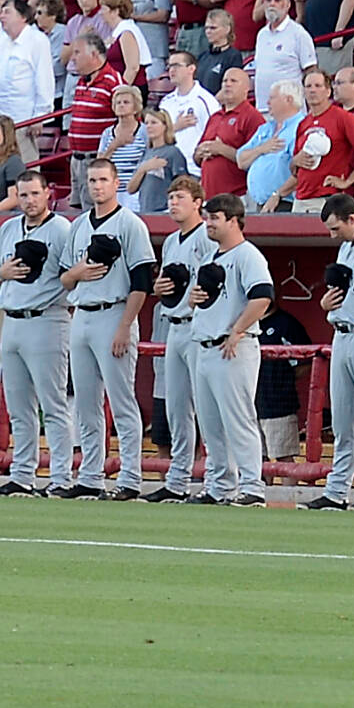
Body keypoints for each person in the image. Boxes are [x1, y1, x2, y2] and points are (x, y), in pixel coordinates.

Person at [61, 159, 155, 499]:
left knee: (121, 400)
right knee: (85, 402)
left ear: (116, 183)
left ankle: (130, 477)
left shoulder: (130, 224)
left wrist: (124, 326)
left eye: (103, 179)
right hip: (82, 311)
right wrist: (78, 273)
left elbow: (142, 281)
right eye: (92, 180)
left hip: (114, 312)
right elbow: (64, 277)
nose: (97, 186)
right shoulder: (79, 225)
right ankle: (90, 475)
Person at [0, 165, 75, 497]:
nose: (28, 200)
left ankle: (61, 476)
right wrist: (3, 273)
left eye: (34, 193)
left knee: (52, 403)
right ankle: (23, 474)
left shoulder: (62, 229)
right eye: (22, 195)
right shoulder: (9, 229)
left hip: (48, 317)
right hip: (13, 318)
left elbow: (70, 275)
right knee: (18, 405)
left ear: (47, 193)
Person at [189, 193, 274, 507]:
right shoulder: (212, 257)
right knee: (210, 424)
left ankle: (252, 487)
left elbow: (263, 296)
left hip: (233, 346)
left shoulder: (247, 254)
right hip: (206, 344)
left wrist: (238, 330)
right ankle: (219, 485)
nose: (208, 223)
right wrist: (193, 299)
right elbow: (198, 301)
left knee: (238, 420)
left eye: (214, 218)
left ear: (234, 220)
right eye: (207, 217)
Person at [143, 176, 214, 502]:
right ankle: (178, 479)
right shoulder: (171, 240)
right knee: (176, 407)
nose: (174, 203)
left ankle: (215, 478)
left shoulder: (208, 236)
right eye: (171, 197)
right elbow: (166, 285)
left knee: (206, 406)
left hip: (200, 326)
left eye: (181, 197)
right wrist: (159, 289)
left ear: (198, 202)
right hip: (174, 324)